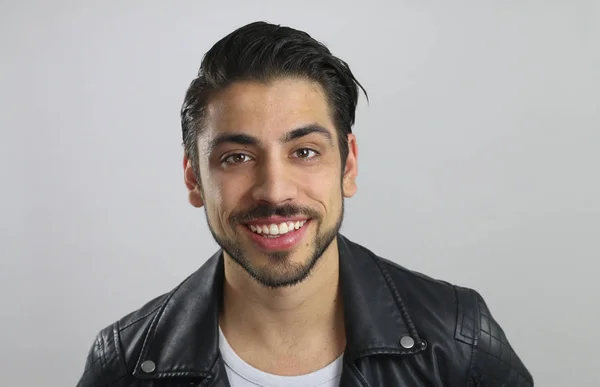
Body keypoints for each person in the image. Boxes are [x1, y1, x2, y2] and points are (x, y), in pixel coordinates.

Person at [76, 21, 533, 387]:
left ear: (348, 165)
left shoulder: (458, 340)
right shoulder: (125, 365)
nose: (275, 191)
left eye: (305, 152)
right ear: (194, 178)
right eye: (237, 157)